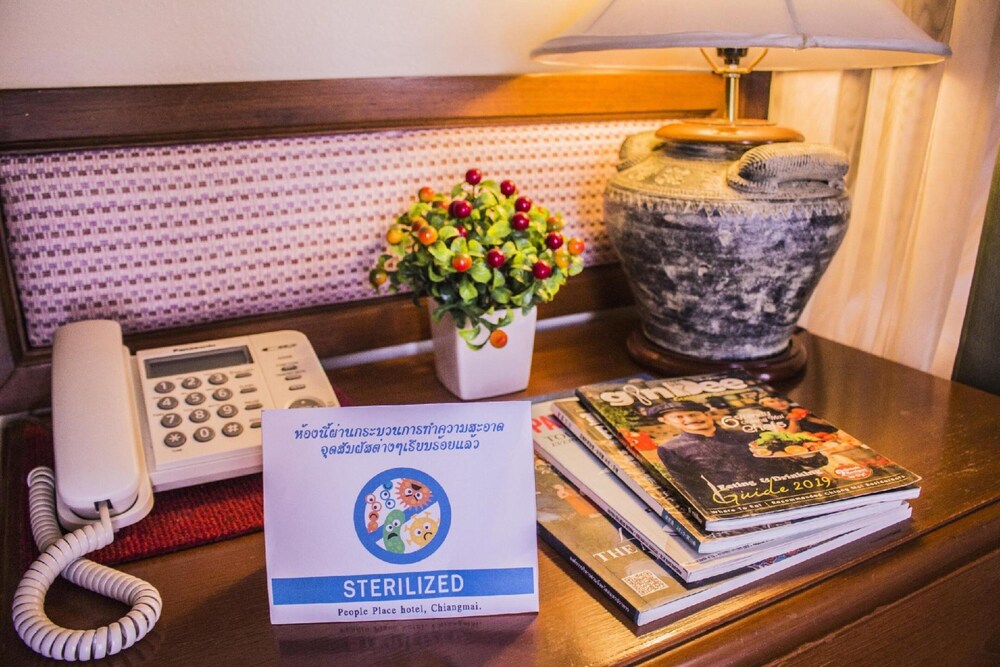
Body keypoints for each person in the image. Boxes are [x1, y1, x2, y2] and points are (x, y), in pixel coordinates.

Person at [652, 401, 828, 509]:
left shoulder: (749, 434)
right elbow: (691, 486)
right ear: (665, 421)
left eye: (693, 414)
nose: (690, 419)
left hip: (793, 497)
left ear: (707, 414)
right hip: (742, 506)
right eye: (679, 417)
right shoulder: (671, 449)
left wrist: (807, 457)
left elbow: (812, 461)